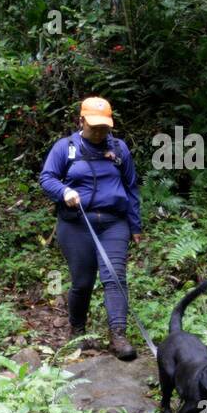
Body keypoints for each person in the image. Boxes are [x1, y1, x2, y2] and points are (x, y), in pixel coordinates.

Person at [39, 96, 143, 360]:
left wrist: (135, 225)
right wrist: (64, 192)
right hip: (77, 223)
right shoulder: (65, 148)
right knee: (83, 282)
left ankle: (118, 336)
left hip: (113, 223)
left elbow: (131, 187)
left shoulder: (119, 149)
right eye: (94, 126)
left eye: (104, 127)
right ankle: (77, 331)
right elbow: (46, 178)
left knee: (115, 277)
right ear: (81, 121)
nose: (99, 132)